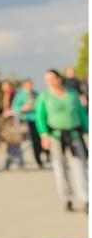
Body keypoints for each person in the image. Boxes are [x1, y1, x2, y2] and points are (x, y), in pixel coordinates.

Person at [35, 69, 88, 213]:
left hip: (74, 134)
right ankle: (67, 198)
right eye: (47, 80)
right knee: (60, 168)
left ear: (59, 79)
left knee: (79, 165)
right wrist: (44, 135)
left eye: (52, 79)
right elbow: (40, 117)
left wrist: (87, 129)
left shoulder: (72, 94)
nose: (50, 82)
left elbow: (82, 114)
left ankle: (85, 197)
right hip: (56, 136)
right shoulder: (44, 96)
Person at [12, 78, 49, 168]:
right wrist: (23, 108)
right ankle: (36, 159)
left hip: (38, 119)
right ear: (24, 86)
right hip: (27, 120)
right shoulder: (20, 95)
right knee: (32, 141)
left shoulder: (36, 94)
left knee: (40, 138)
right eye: (28, 85)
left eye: (31, 85)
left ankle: (44, 156)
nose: (30, 87)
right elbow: (15, 107)